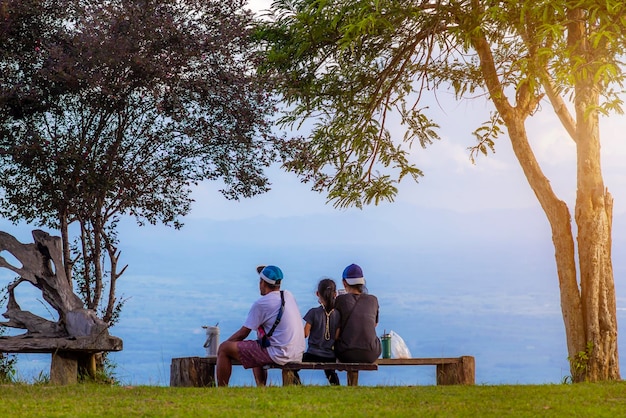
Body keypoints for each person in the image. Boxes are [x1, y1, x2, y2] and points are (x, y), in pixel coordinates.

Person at [216, 265, 305, 387]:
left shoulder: (261, 304)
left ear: (262, 282)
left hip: (280, 353)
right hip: (297, 352)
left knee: (224, 349)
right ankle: (261, 387)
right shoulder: (288, 295)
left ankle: (221, 390)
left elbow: (243, 333)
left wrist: (224, 345)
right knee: (256, 346)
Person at [295, 278, 340, 385]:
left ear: (317, 293)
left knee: (292, 367)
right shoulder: (338, 314)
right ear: (335, 294)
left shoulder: (313, 312)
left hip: (313, 354)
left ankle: (298, 386)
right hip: (330, 356)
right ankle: (337, 387)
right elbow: (337, 337)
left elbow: (305, 334)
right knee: (330, 372)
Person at [334, 263, 381, 363]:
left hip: (346, 354)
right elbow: (374, 324)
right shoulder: (373, 300)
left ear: (344, 283)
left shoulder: (340, 300)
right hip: (371, 354)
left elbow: (335, 326)